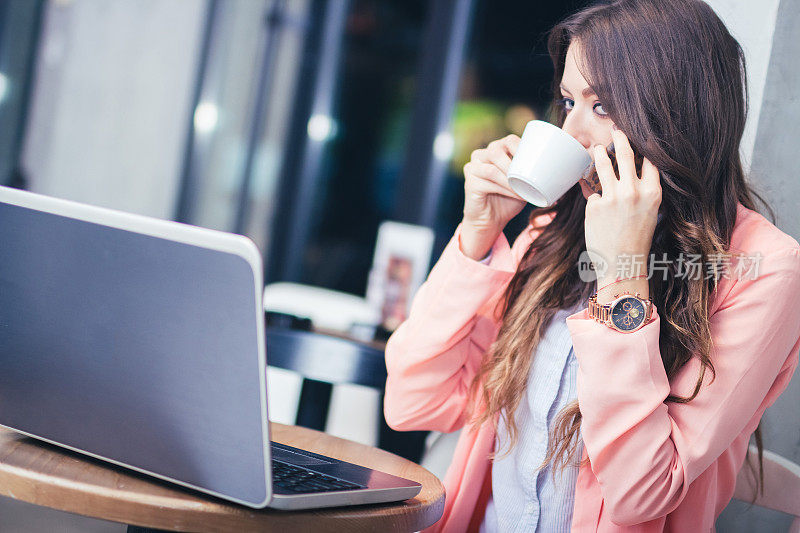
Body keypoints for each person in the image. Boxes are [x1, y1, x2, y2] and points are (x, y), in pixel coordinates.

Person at [383, 0, 800, 531]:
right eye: (568, 100)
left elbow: (640, 494)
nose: (571, 130)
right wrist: (476, 240)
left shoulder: (764, 270)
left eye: (602, 106)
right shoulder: (552, 235)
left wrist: (622, 274)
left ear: (676, 113)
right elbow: (414, 403)